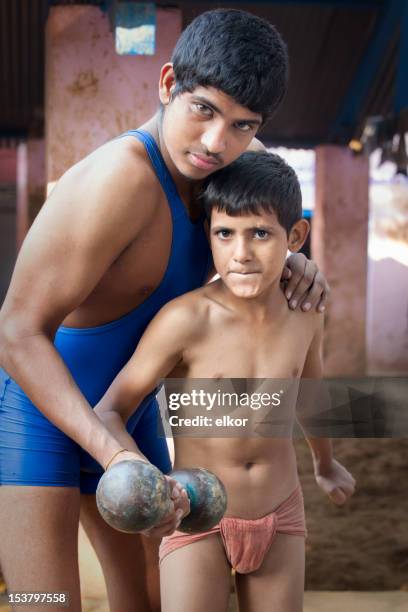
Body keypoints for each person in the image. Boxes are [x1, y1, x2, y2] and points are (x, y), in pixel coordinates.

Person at [0, 9, 329, 612]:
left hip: (127, 410)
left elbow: (269, 227)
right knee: (41, 602)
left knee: (147, 603)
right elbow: (16, 332)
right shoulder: (118, 180)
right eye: (202, 109)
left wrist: (298, 265)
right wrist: (110, 453)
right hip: (39, 413)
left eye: (241, 125)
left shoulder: (232, 160)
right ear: (167, 82)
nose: (216, 142)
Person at [93, 151, 355, 612]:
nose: (241, 253)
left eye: (260, 233)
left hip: (281, 509)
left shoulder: (304, 315)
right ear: (209, 237)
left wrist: (325, 463)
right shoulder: (185, 320)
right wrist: (148, 483)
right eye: (224, 233)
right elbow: (110, 410)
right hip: (196, 513)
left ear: (294, 236)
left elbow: (309, 396)